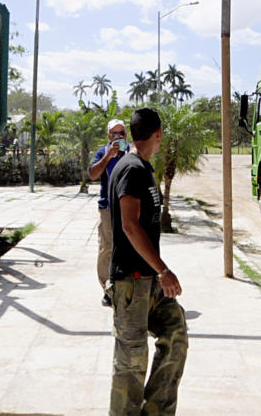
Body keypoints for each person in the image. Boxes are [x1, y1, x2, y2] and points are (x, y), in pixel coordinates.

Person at [107, 107, 187, 416]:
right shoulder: (131, 169)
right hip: (131, 281)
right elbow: (129, 225)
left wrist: (157, 275)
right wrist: (163, 270)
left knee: (175, 335)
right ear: (158, 134)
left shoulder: (142, 167)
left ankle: (156, 411)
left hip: (149, 281)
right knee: (131, 362)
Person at [89, 118, 128, 306]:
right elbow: (93, 174)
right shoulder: (102, 152)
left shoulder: (131, 152)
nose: (118, 137)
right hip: (108, 208)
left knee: (129, 247)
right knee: (107, 248)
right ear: (109, 135)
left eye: (122, 133)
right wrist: (108, 157)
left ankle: (126, 288)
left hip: (128, 208)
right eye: (114, 133)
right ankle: (107, 290)